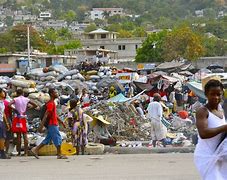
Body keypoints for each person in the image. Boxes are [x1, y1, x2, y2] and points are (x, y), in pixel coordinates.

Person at [194, 79, 227, 179]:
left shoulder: (221, 109)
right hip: (206, 155)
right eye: (212, 94)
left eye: (218, 94)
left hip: (219, 154)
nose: (216, 97)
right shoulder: (203, 111)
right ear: (206, 94)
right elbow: (203, 134)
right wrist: (225, 127)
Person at [31, 88, 67, 159]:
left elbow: (54, 114)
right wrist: (41, 125)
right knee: (58, 138)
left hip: (53, 123)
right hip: (52, 124)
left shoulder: (52, 103)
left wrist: (61, 121)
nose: (57, 94)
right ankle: (59, 154)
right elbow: (46, 114)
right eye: (55, 93)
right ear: (51, 94)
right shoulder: (50, 103)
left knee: (47, 139)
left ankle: (35, 150)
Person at [9, 89, 37, 156]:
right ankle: (26, 152)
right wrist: (27, 109)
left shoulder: (15, 99)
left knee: (18, 135)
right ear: (23, 93)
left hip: (17, 117)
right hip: (24, 117)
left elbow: (9, 104)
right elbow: (35, 105)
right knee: (25, 135)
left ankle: (18, 153)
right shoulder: (26, 99)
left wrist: (15, 109)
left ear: (16, 93)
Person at [0, 88, 11, 159]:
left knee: (2, 137)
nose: (4, 93)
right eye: (2, 92)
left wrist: (6, 123)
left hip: (1, 121)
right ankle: (2, 153)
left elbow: (3, 113)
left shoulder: (2, 102)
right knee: (2, 137)